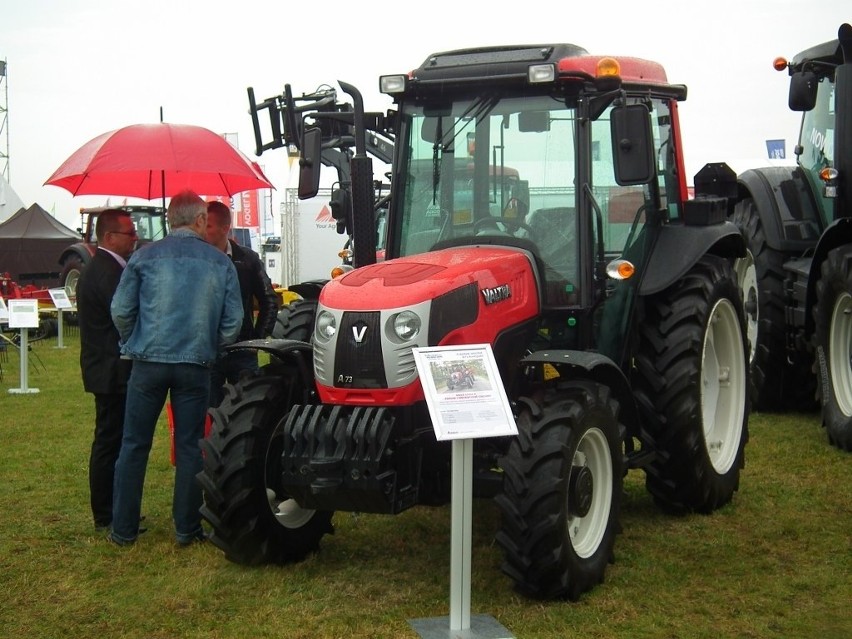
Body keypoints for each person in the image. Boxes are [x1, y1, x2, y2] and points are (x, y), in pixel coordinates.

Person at [109, 190, 243, 547]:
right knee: (189, 447)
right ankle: (187, 528)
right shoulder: (219, 262)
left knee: (134, 444)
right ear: (200, 220)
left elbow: (120, 310)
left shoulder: (144, 256)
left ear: (170, 220)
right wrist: (212, 347)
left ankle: (123, 530)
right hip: (195, 364)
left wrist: (134, 340)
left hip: (148, 362)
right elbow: (234, 321)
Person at [76, 209, 137, 532]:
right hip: (110, 369)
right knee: (109, 441)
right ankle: (106, 513)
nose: (136, 238)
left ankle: (114, 507)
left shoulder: (106, 268)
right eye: (130, 233)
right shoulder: (106, 272)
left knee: (113, 439)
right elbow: (123, 315)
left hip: (107, 366)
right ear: (110, 237)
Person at [205, 200, 279, 407]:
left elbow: (269, 300)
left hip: (242, 349)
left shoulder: (247, 259)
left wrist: (257, 339)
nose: (202, 231)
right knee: (209, 412)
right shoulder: (197, 259)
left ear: (224, 228)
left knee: (248, 408)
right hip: (207, 351)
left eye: (208, 225)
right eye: (201, 224)